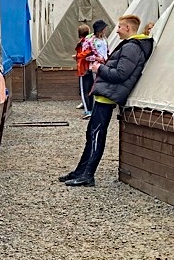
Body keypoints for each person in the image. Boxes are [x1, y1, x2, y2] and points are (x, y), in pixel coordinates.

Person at [60, 13, 153, 188]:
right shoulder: (131, 46)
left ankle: (88, 175)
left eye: (119, 27)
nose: (116, 31)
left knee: (96, 135)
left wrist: (99, 68)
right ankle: (81, 171)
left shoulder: (131, 48)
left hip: (108, 97)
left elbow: (121, 74)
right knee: (92, 134)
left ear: (127, 28)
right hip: (105, 95)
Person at [74, 22, 93, 115]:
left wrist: (77, 56)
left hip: (83, 69)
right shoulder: (92, 41)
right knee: (90, 91)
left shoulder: (83, 42)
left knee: (84, 91)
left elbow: (84, 54)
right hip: (90, 68)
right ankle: (91, 109)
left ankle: (87, 110)